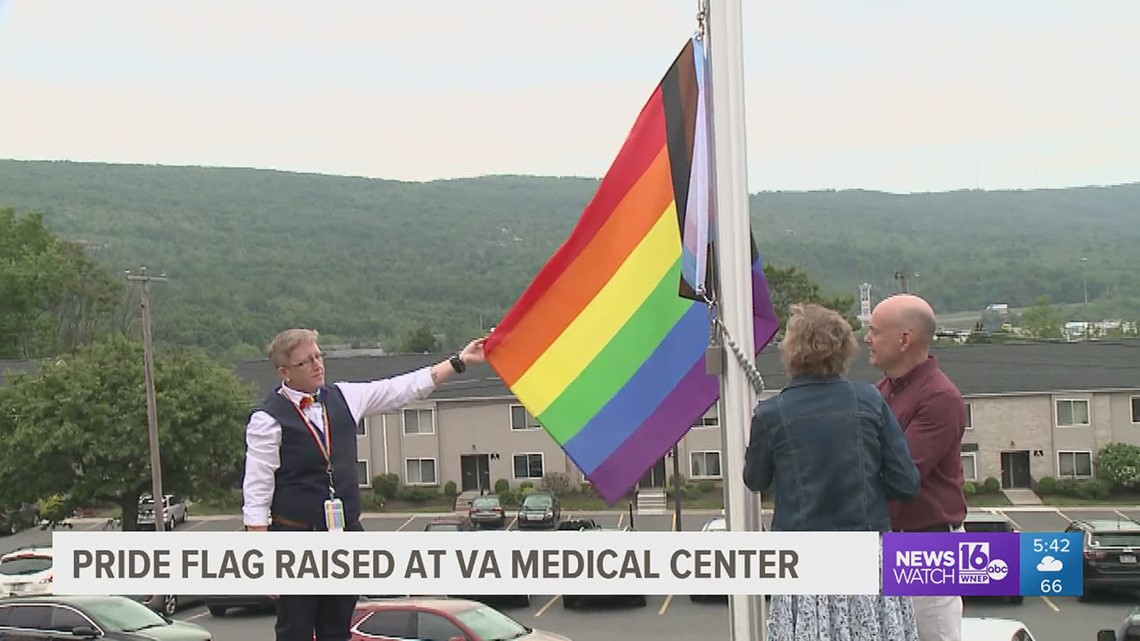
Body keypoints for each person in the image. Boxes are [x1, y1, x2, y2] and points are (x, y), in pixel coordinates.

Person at [242, 328, 486, 641]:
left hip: (344, 538)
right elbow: (256, 497)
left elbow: (402, 389)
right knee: (296, 631)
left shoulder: (344, 396)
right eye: (307, 362)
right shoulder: (267, 420)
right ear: (284, 373)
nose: (318, 364)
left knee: (337, 628)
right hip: (296, 540)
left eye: (319, 356)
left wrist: (459, 361)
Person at [745, 303, 921, 641]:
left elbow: (755, 480)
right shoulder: (869, 401)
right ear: (844, 349)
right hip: (868, 555)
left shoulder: (771, 414)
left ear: (792, 350)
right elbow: (907, 483)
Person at [865, 294, 969, 641]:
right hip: (887, 542)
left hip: (928, 544)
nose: (867, 338)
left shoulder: (940, 397)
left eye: (875, 331)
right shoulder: (882, 391)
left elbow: (900, 474)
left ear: (904, 339)